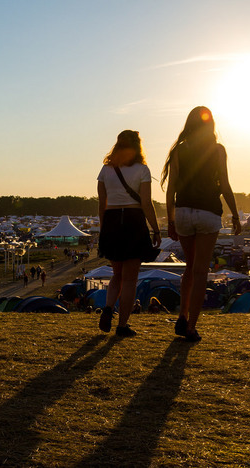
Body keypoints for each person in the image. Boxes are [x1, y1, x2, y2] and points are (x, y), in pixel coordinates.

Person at [162, 106, 241, 342]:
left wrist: (171, 219)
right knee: (200, 271)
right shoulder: (217, 150)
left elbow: (171, 188)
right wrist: (235, 215)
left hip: (184, 211)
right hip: (208, 213)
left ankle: (183, 315)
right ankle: (190, 327)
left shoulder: (178, 151)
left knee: (189, 268)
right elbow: (225, 185)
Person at [97, 130, 161, 337]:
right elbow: (146, 203)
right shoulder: (142, 170)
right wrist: (156, 228)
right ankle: (122, 325)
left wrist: (103, 228)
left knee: (117, 274)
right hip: (133, 220)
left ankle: (108, 307)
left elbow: (102, 204)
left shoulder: (106, 170)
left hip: (112, 221)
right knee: (130, 279)